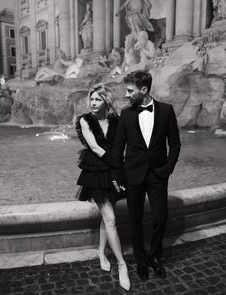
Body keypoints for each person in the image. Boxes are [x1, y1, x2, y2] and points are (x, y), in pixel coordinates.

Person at [112, 70, 181, 281]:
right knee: (135, 219)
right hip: (133, 175)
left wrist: (167, 169)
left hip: (158, 175)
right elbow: (118, 149)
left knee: (160, 219)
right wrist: (117, 176)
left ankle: (155, 257)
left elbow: (175, 144)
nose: (126, 94)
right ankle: (141, 259)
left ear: (144, 90)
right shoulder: (126, 114)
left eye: (130, 90)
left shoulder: (167, 111)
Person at [76, 84, 130, 291]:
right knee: (111, 219)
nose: (93, 103)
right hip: (96, 171)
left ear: (106, 101)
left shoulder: (117, 120)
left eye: (97, 99)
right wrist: (117, 166)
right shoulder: (84, 120)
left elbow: (121, 145)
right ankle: (122, 264)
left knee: (107, 217)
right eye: (91, 99)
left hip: (115, 170)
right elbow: (96, 147)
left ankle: (101, 251)